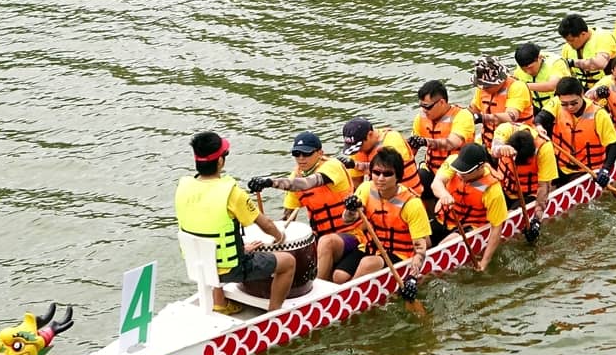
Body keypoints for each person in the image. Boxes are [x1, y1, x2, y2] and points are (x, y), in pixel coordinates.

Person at [175, 131, 296, 315]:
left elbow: (207, 226)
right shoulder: (231, 192)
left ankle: (220, 303)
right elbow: (266, 225)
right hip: (229, 268)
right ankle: (274, 314)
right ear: (220, 162)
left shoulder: (184, 186)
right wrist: (280, 236)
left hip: (198, 263)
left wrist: (240, 249)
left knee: (213, 244)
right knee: (288, 262)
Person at [324, 147, 430, 287]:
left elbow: (421, 250)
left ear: (398, 176)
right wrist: (350, 209)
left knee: (368, 263)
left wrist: (412, 277)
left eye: (387, 174)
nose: (380, 178)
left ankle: (348, 295)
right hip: (370, 247)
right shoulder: (366, 188)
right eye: (376, 172)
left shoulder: (412, 204)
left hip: (400, 254)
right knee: (338, 276)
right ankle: (346, 289)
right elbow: (348, 219)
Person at [259, 131, 354, 280]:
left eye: (307, 154)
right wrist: (274, 240)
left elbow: (307, 183)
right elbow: (287, 218)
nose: (301, 159)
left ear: (320, 153)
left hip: (352, 233)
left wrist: (270, 182)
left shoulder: (333, 166)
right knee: (291, 246)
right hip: (320, 235)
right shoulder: (294, 177)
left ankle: (320, 290)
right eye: (297, 154)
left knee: (326, 242)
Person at [432, 143, 508, 271]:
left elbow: (496, 228)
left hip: (470, 226)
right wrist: (444, 195)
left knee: (443, 245)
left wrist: (484, 262)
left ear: (480, 167)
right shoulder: (452, 162)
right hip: (445, 219)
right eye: (459, 169)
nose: (460, 174)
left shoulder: (492, 190)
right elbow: (436, 184)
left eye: (465, 171)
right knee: (421, 238)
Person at [550, 79, 616, 185]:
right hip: (562, 168)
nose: (570, 107)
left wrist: (605, 169)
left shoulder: (599, 114)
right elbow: (541, 118)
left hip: (588, 170)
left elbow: (614, 144)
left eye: (573, 103)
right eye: (565, 104)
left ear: (582, 94)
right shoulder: (556, 107)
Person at [491, 122, 557, 239]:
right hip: (504, 187)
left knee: (509, 215)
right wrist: (502, 148)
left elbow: (544, 186)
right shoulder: (506, 129)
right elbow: (494, 149)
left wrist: (537, 219)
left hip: (528, 193)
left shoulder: (545, 147)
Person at [341, 117, 424, 198]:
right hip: (379, 197)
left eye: (359, 146)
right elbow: (356, 181)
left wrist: (356, 165)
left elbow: (386, 169)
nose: (358, 151)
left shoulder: (393, 140)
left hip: (407, 194)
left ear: (370, 135)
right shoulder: (357, 148)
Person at [409, 81, 477, 180]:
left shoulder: (462, 116)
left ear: (442, 102)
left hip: (458, 172)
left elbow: (452, 143)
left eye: (427, 107)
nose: (424, 110)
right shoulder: (420, 119)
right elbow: (411, 151)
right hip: (431, 170)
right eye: (421, 106)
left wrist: (425, 141)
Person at [469, 55, 534, 136]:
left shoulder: (517, 87)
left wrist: (483, 118)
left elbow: (511, 117)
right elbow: (472, 110)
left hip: (517, 138)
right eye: (481, 85)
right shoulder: (482, 89)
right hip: (489, 138)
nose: (483, 88)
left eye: (487, 85)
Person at [510, 42, 568, 118]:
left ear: (539, 58)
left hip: (561, 107)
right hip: (537, 109)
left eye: (530, 68)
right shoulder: (520, 67)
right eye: (524, 70)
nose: (528, 72)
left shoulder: (555, 63)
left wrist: (522, 85)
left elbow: (552, 85)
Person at [557, 14, 616, 81]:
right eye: (566, 40)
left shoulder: (604, 37)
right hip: (582, 88)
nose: (569, 43)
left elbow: (600, 64)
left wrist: (572, 63)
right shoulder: (566, 48)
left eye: (571, 40)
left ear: (583, 34)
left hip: (609, 85)